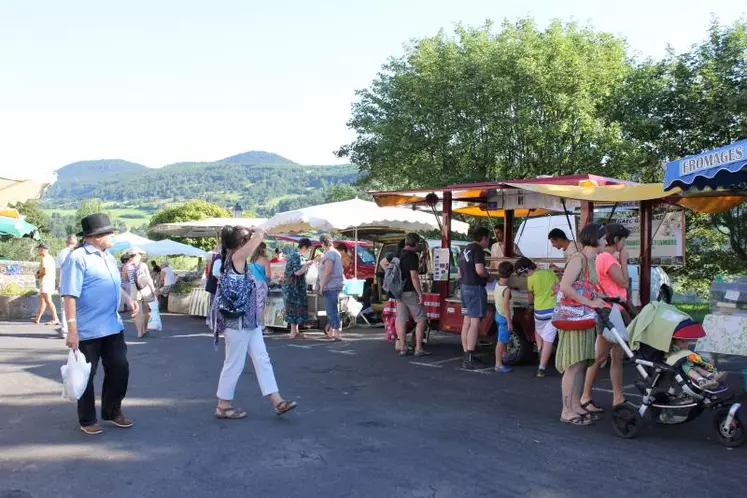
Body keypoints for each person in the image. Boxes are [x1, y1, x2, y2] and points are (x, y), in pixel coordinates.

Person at [61, 213, 139, 435]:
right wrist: (72, 330)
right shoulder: (78, 258)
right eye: (109, 232)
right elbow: (69, 295)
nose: (112, 235)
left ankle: (112, 411)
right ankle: (87, 419)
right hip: (87, 330)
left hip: (112, 326)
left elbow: (113, 284)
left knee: (119, 368)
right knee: (86, 374)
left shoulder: (109, 257)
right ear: (96, 237)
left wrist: (127, 299)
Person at [212, 225, 297, 419]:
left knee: (262, 359)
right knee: (234, 362)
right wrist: (257, 231)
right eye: (246, 238)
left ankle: (277, 401)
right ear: (241, 243)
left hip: (249, 321)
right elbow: (258, 238)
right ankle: (223, 404)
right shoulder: (236, 259)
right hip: (240, 323)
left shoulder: (231, 259)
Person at [556, 223, 607, 426]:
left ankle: (575, 405)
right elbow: (565, 287)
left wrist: (601, 297)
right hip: (574, 318)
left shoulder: (590, 260)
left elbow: (584, 288)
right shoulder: (579, 258)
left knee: (581, 364)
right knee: (573, 365)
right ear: (595, 238)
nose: (605, 241)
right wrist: (591, 302)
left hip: (584, 318)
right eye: (603, 238)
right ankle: (566, 410)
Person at [580, 223, 631, 412]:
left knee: (614, 357)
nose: (625, 245)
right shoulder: (608, 258)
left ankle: (618, 398)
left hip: (612, 310)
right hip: (609, 311)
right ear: (616, 240)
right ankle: (585, 396)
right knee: (600, 357)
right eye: (624, 240)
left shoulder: (603, 257)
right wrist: (624, 260)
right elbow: (624, 282)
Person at [515, 257, 558, 378]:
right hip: (554, 311)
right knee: (549, 339)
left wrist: (530, 306)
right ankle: (541, 368)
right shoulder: (550, 273)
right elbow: (557, 287)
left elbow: (530, 295)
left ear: (527, 271)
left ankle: (540, 348)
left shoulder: (531, 279)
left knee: (538, 331)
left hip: (540, 311)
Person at [459, 227, 492, 370]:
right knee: (475, 322)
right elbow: (479, 270)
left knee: (466, 322)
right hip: (475, 288)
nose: (488, 242)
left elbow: (461, 271)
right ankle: (470, 357)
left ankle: (467, 354)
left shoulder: (465, 249)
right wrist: (489, 276)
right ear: (484, 238)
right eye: (488, 239)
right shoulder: (478, 250)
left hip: (464, 287)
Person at [395, 233, 430, 357]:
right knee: (421, 319)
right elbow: (414, 276)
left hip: (398, 292)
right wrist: (420, 293)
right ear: (415, 244)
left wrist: (396, 278)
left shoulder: (397, 253)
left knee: (402, 320)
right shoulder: (412, 256)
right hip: (410, 291)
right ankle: (418, 348)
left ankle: (403, 347)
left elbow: (383, 263)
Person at [282, 238, 314, 339]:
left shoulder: (295, 255)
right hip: (293, 287)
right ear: (305, 247)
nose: (308, 250)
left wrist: (307, 264)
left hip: (294, 286)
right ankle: (293, 332)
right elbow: (297, 272)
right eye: (308, 248)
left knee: (296, 307)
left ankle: (296, 331)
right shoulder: (296, 256)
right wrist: (307, 265)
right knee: (294, 307)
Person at [121, 247, 155, 338]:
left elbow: (125, 279)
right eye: (140, 254)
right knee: (145, 311)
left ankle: (139, 332)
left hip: (133, 289)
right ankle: (145, 329)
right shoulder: (143, 265)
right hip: (144, 288)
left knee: (137, 311)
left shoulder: (126, 266)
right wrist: (153, 290)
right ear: (136, 255)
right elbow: (149, 279)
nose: (141, 256)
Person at [319, 234, 345, 341]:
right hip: (336, 284)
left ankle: (336, 333)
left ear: (323, 243)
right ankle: (332, 332)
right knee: (334, 309)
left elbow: (328, 272)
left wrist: (322, 286)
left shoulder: (329, 254)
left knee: (331, 310)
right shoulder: (336, 253)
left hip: (330, 286)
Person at [493, 261, 514, 373]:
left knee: (504, 339)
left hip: (498, 313)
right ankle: (498, 364)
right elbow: (506, 306)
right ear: (511, 274)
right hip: (504, 317)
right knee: (501, 341)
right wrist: (509, 321)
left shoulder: (498, 284)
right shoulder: (506, 290)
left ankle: (505, 356)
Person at [55, 235, 77, 336]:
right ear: (75, 242)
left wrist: (57, 283)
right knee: (77, 307)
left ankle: (65, 330)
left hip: (64, 283)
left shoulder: (61, 252)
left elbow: (58, 270)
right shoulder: (78, 252)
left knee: (64, 308)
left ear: (66, 242)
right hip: (76, 282)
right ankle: (76, 329)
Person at [32, 243, 60, 325]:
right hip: (50, 281)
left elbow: (44, 271)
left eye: (39, 249)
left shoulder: (45, 259)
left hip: (45, 282)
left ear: (42, 250)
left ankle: (55, 319)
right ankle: (38, 318)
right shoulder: (51, 258)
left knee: (48, 301)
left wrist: (38, 275)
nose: (38, 251)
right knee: (43, 301)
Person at [250, 242, 272, 332]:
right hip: (261, 284)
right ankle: (261, 327)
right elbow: (268, 274)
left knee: (254, 305)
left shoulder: (251, 260)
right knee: (260, 306)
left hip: (252, 284)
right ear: (263, 249)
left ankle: (253, 324)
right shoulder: (265, 260)